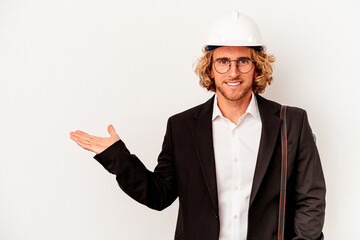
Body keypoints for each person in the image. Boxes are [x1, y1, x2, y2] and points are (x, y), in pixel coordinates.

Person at [70, 11, 325, 240]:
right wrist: (117, 157)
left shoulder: (291, 122)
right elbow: (159, 195)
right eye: (223, 61)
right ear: (210, 69)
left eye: (243, 61)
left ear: (257, 67)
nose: (233, 72)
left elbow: (311, 199)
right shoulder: (181, 128)